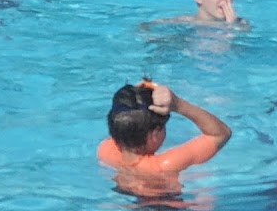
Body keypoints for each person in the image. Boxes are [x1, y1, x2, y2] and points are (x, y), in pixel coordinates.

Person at [97, 78, 231, 198]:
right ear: (155, 134)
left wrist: (139, 94)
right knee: (206, 192)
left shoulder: (105, 149)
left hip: (131, 200)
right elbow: (221, 133)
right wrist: (178, 105)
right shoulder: (164, 166)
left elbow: (125, 119)